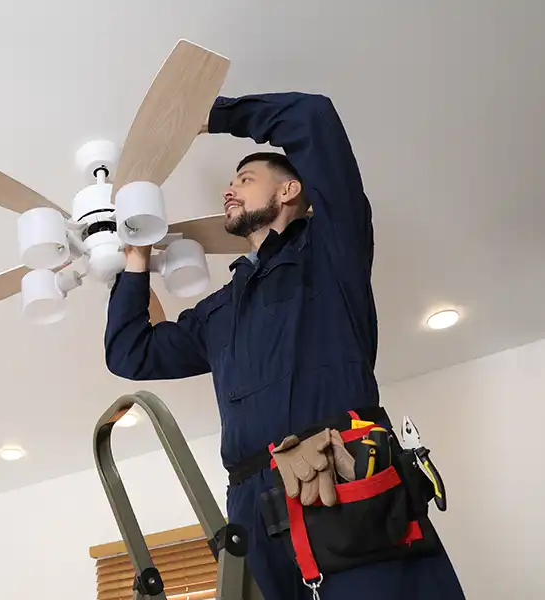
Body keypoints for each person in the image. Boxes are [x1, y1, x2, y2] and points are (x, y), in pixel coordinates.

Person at [104, 92, 465, 599]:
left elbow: (312, 116)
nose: (228, 190)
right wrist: (135, 257)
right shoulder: (221, 310)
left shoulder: (330, 250)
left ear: (291, 189)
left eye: (244, 180)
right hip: (254, 505)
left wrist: (204, 114)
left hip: (340, 472)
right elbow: (130, 352)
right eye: (230, 183)